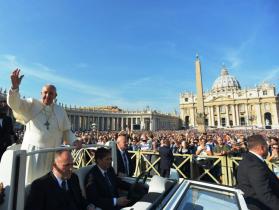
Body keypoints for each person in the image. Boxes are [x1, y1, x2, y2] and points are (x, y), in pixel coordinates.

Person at [7, 69, 79, 183]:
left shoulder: (60, 111)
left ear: (55, 95)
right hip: (34, 152)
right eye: (45, 92)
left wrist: (74, 141)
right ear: (41, 94)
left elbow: (66, 131)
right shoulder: (32, 104)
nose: (47, 95)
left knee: (51, 183)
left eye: (51, 93)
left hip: (54, 153)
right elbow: (15, 104)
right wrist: (15, 88)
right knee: (32, 181)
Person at [25, 150, 95, 210]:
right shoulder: (40, 185)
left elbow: (79, 199)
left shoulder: (74, 178)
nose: (71, 169)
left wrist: (88, 205)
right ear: (54, 166)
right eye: (66, 165)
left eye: (72, 164)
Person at [237, 135, 279, 210]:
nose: (268, 149)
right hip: (261, 206)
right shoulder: (255, 164)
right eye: (267, 147)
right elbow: (264, 194)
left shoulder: (248, 158)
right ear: (262, 148)